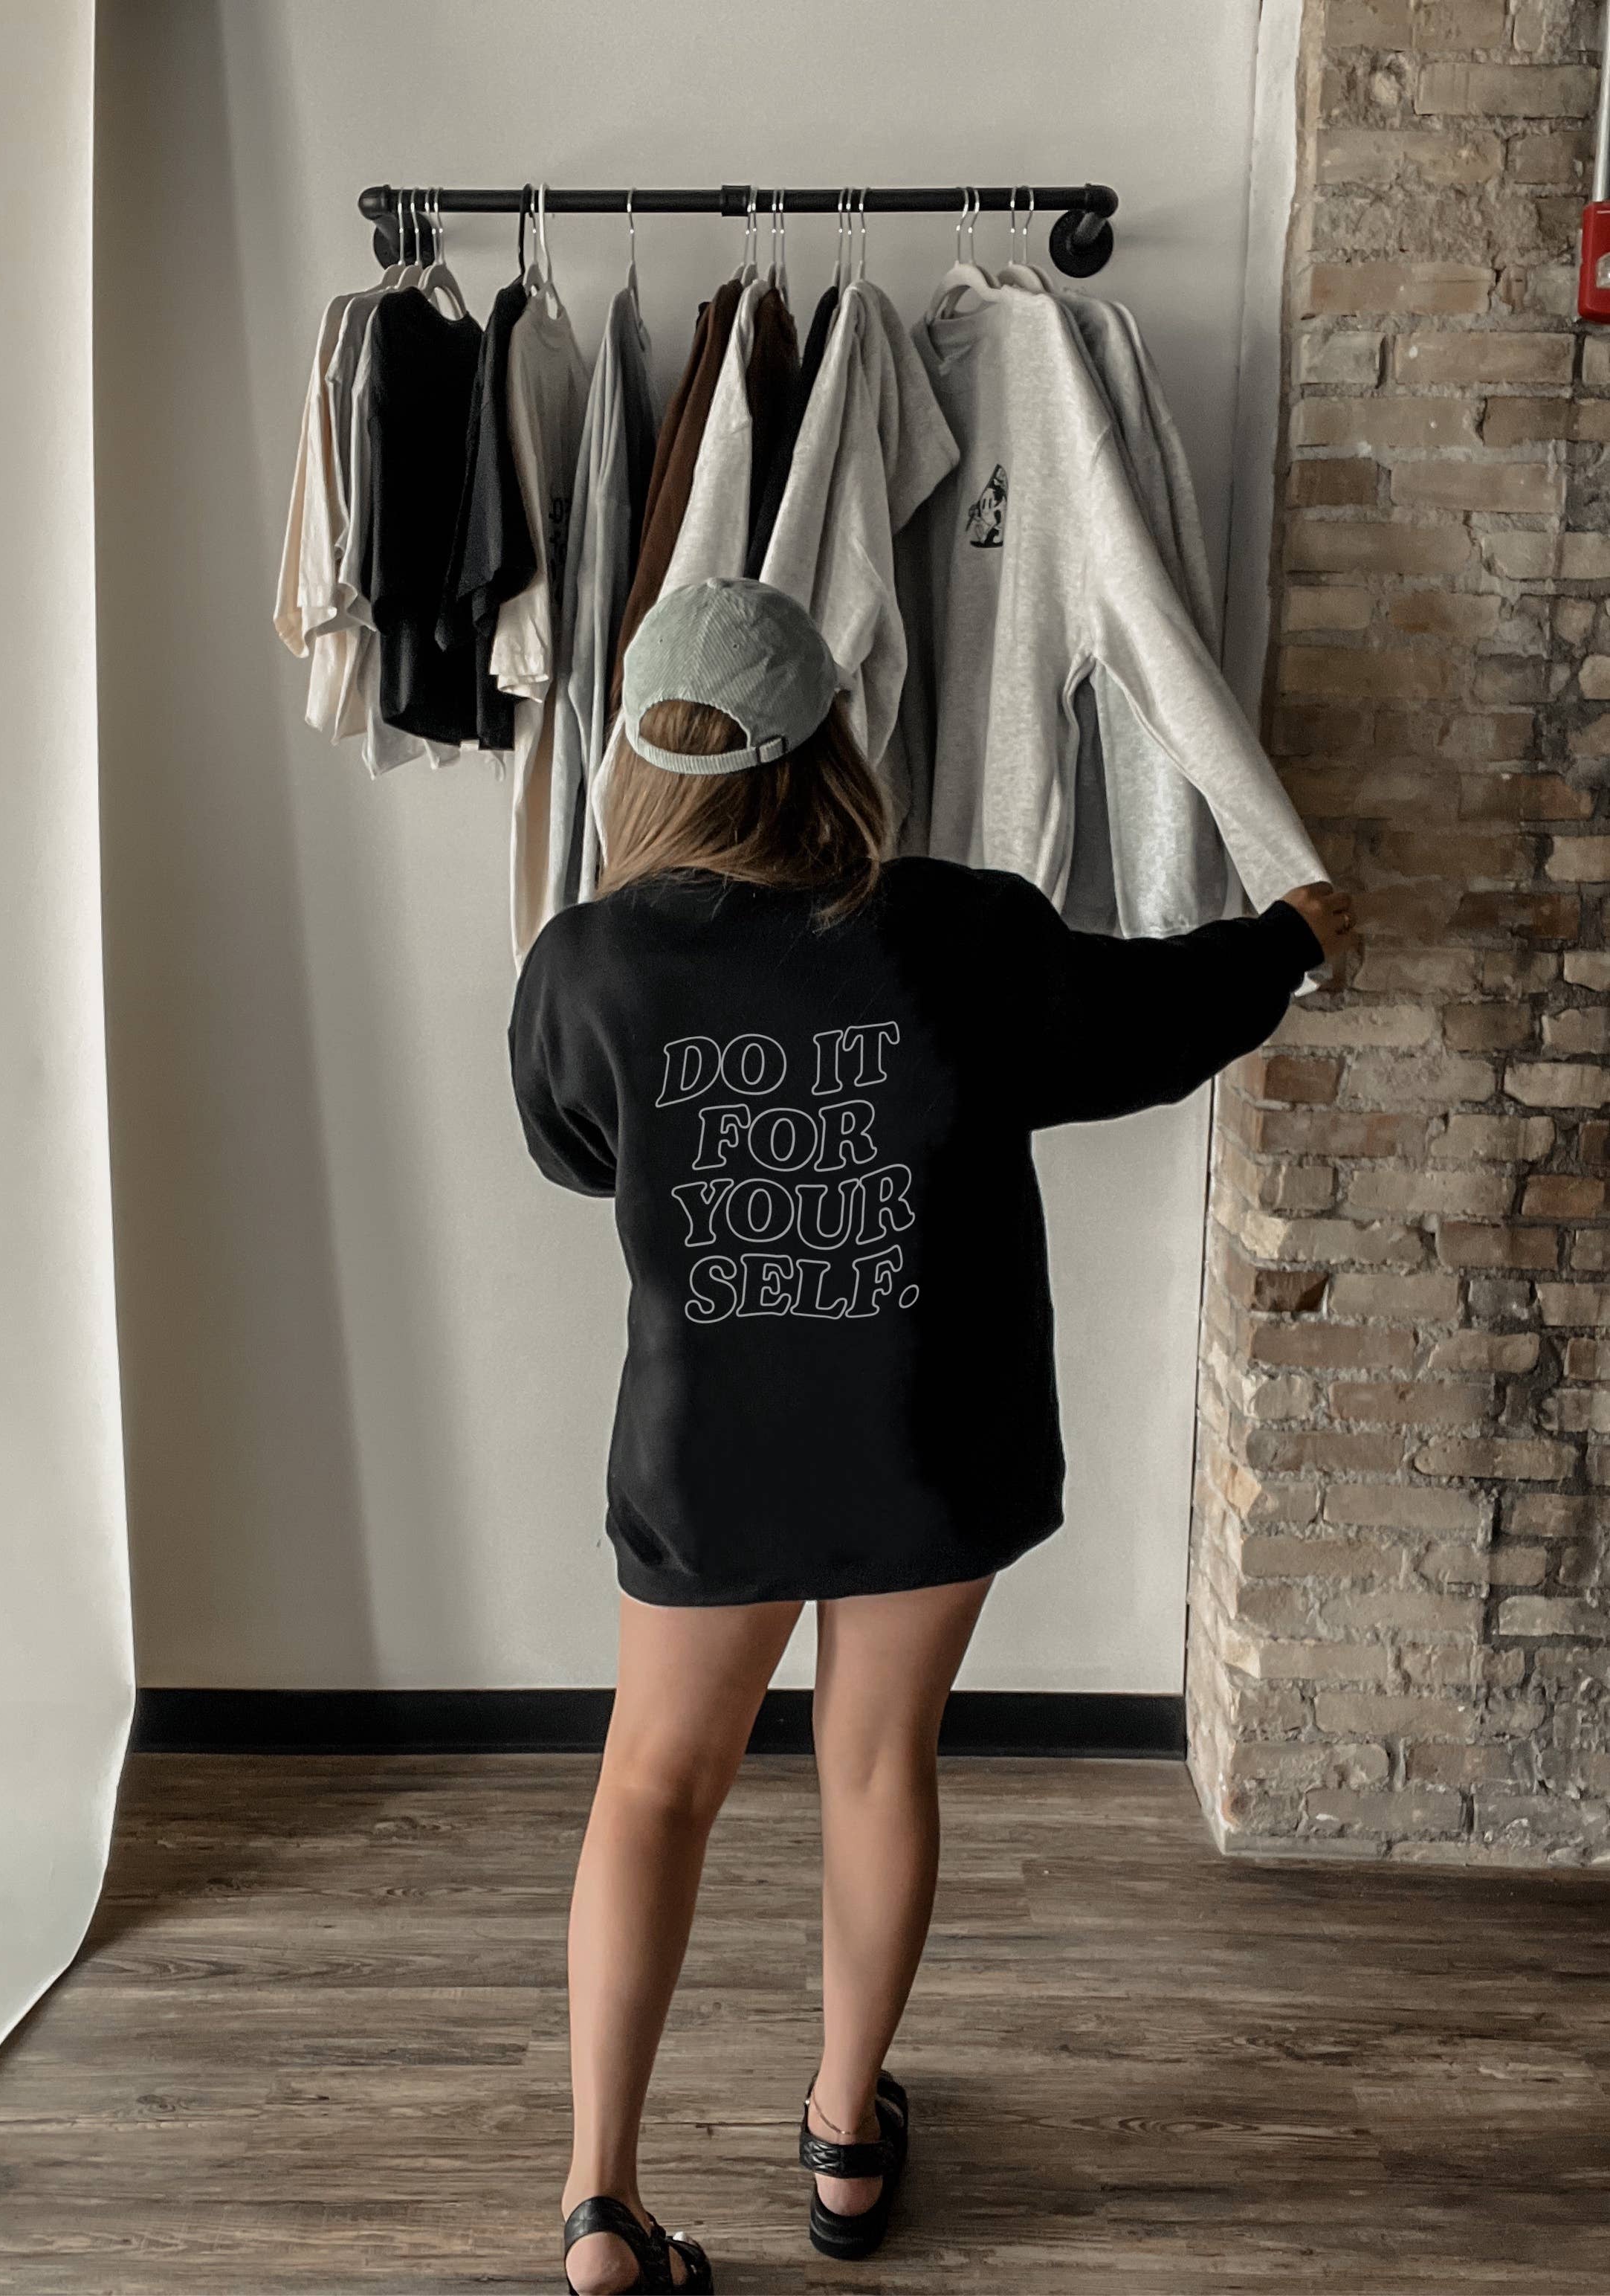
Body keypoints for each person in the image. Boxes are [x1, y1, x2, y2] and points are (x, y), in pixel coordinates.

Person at [508, 578, 1353, 2295]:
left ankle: (602, 2203)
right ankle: (843, 2131)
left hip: (710, 1451)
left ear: (640, 757)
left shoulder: (588, 962)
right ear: (832, 744)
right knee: (878, 1760)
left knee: (652, 1782)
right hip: (928, 1435)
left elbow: (575, 1148)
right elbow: (1151, 1021)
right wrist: (1292, 935)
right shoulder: (959, 932)